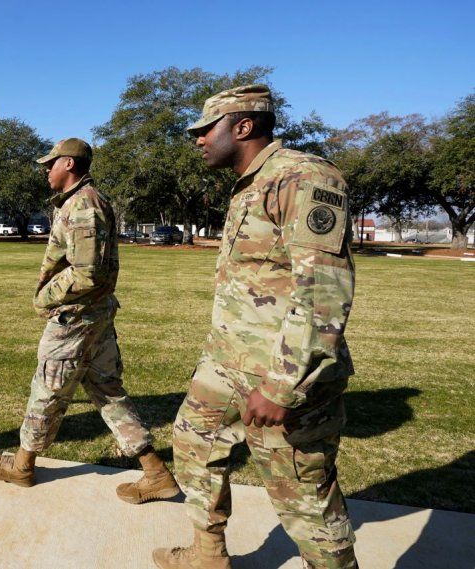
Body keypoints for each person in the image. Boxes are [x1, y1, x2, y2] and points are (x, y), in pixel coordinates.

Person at [153, 86, 358, 569]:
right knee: (191, 441)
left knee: (304, 496)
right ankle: (208, 556)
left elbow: (323, 293)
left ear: (242, 127)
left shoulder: (303, 178)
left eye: (206, 129)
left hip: (279, 372)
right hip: (228, 363)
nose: (198, 139)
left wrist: (282, 386)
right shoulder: (250, 182)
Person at [0, 138, 180, 504]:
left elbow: (87, 273)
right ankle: (157, 473)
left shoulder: (83, 205)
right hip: (94, 317)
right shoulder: (81, 202)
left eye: (50, 163)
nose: (45, 170)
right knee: (108, 393)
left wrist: (46, 295)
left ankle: (22, 466)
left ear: (69, 164)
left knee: (47, 391)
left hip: (76, 319)